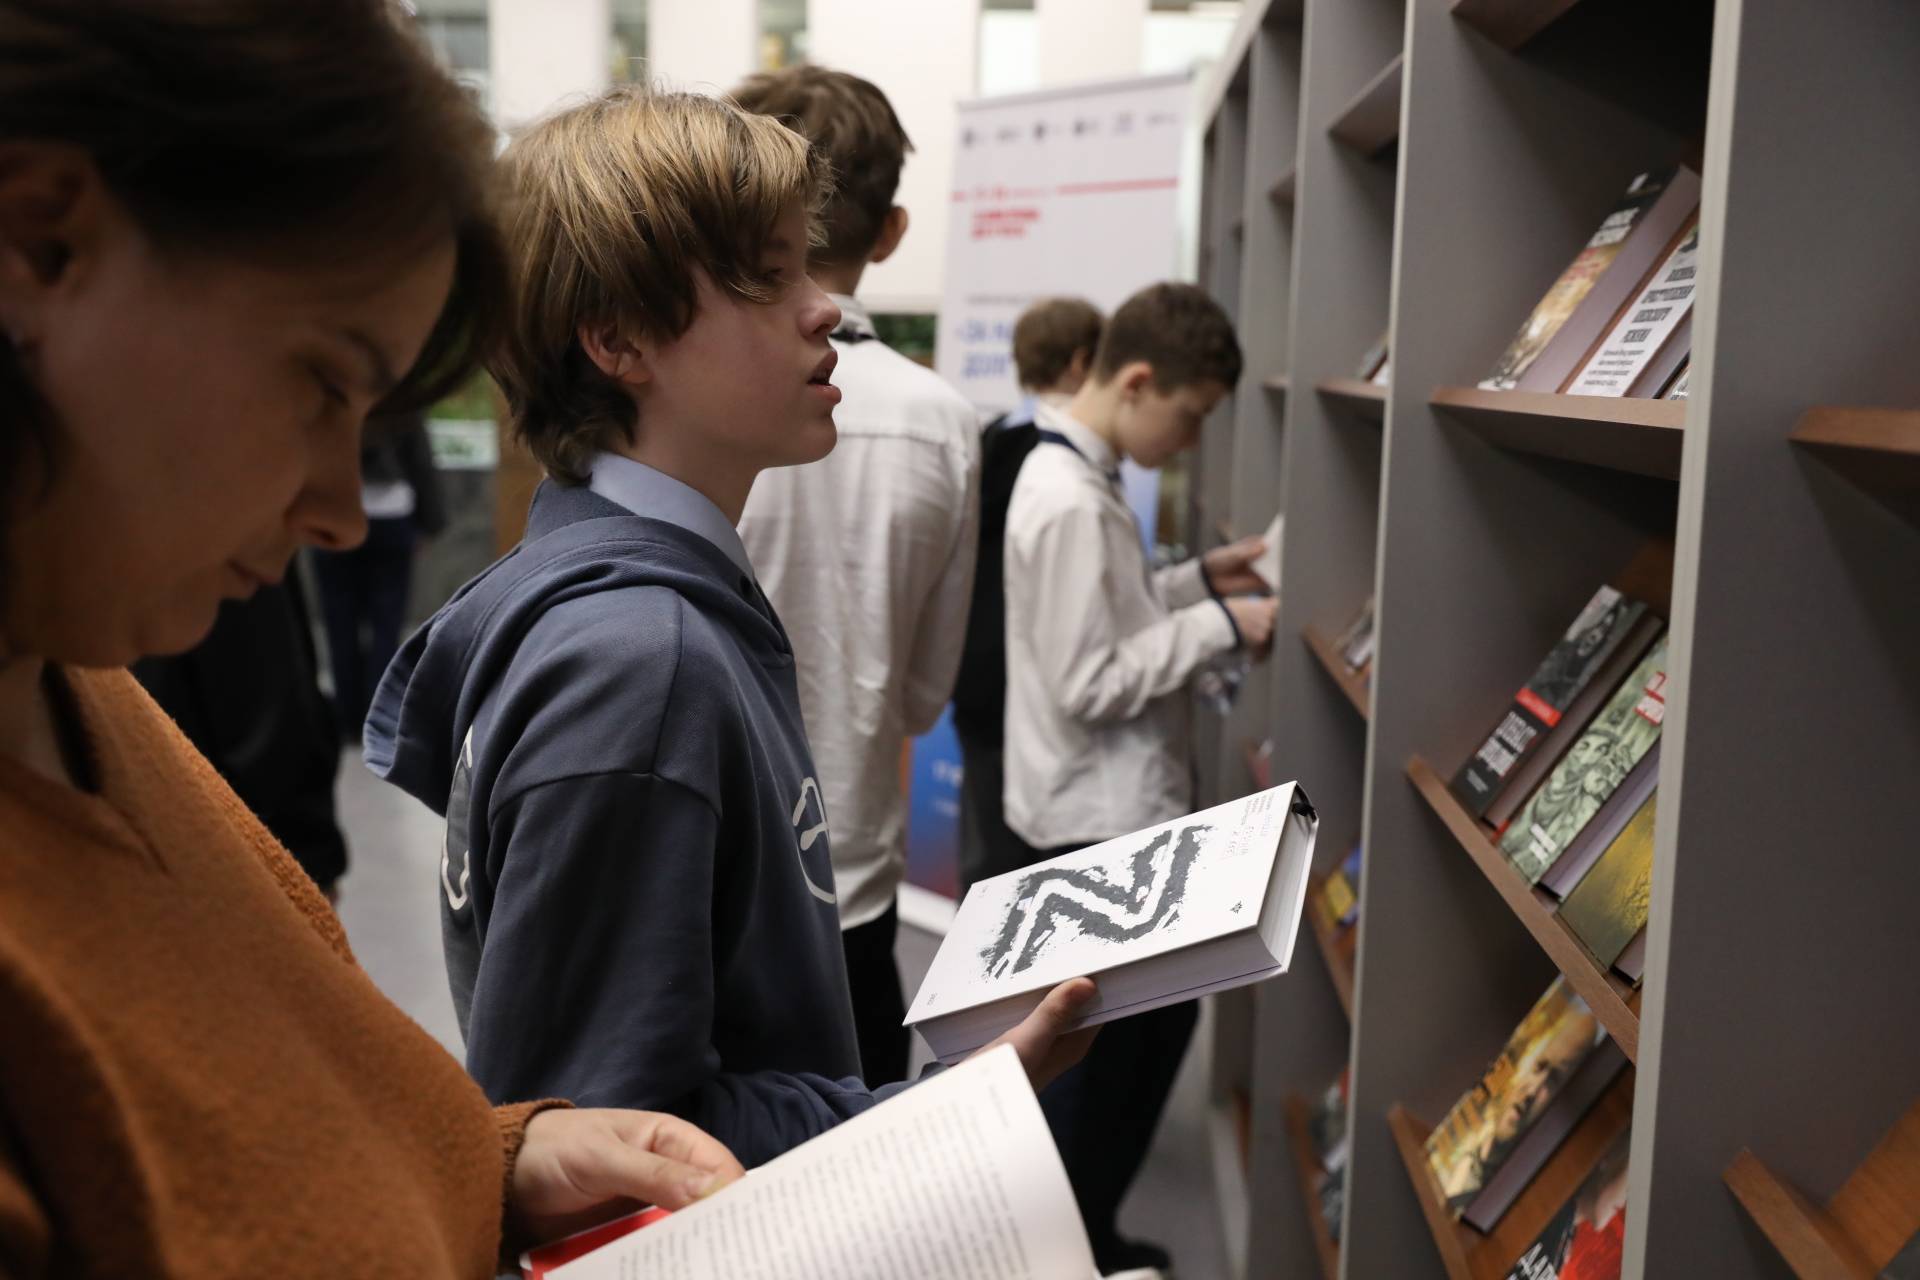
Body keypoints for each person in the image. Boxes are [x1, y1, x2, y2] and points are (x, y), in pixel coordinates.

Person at [0, 3, 748, 1275]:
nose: (341, 511)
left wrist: (494, 1161)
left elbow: (297, 1100)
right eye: (320, 380)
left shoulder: (81, 678)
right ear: (38, 239)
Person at [364, 86, 1094, 1171]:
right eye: (765, 275)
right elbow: (619, 1145)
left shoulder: (644, 603)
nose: (827, 309)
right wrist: (947, 1106)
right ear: (617, 338)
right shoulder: (637, 665)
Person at [1001, 281, 1277, 1274]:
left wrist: (1200, 581)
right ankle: (1071, 1249)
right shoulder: (1072, 498)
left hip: (1094, 812)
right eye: (1190, 415)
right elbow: (1091, 677)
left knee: (1136, 1042)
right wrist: (1219, 624)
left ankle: (1087, 1236)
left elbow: (1111, 609)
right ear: (1137, 381)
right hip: (1094, 821)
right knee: (1102, 1064)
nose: (1193, 439)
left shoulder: (1081, 475)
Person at [731, 66, 980, 1088]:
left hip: (710, 897)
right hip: (856, 886)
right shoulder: (943, 422)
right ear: (893, 231)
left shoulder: (692, 396)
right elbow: (923, 697)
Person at [951, 296, 1104, 896]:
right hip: (1035, 695)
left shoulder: (988, 439)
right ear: (1081, 362)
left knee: (989, 873)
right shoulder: (1063, 460)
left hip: (980, 680)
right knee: (1048, 887)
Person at [132, 557, 351, 897]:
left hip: (149, 818)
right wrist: (310, 858)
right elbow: (268, 698)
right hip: (235, 845)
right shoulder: (229, 549)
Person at [312, 410, 446, 738]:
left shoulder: (329, 395)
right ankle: (379, 713)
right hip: (392, 513)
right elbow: (420, 460)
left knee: (340, 621)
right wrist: (430, 523)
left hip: (333, 512)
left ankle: (347, 716)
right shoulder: (399, 397)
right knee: (387, 621)